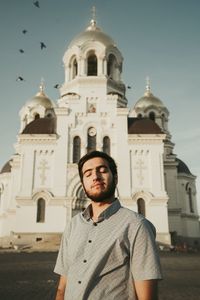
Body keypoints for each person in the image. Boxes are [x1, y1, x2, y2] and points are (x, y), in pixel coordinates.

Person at [54, 151, 162, 300]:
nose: (95, 177)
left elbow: (147, 296)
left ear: (115, 178)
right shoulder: (72, 226)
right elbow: (62, 287)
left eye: (102, 170)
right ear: (83, 184)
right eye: (88, 174)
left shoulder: (136, 226)